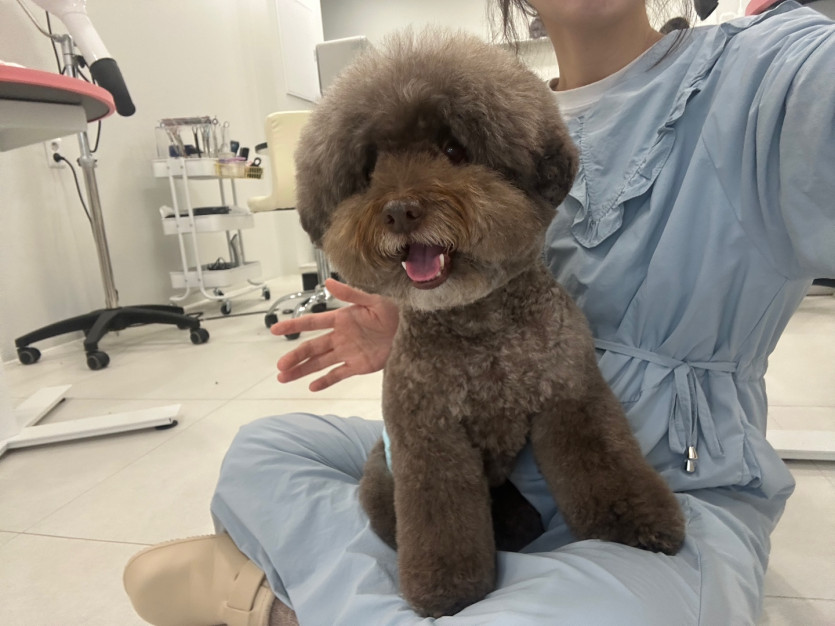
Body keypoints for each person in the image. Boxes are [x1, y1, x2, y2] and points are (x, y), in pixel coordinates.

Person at [123, 1, 835, 624]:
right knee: (264, 446)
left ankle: (277, 602)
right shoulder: (518, 107)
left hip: (670, 479)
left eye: (452, 154)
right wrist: (419, 309)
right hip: (478, 460)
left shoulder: (769, 75)